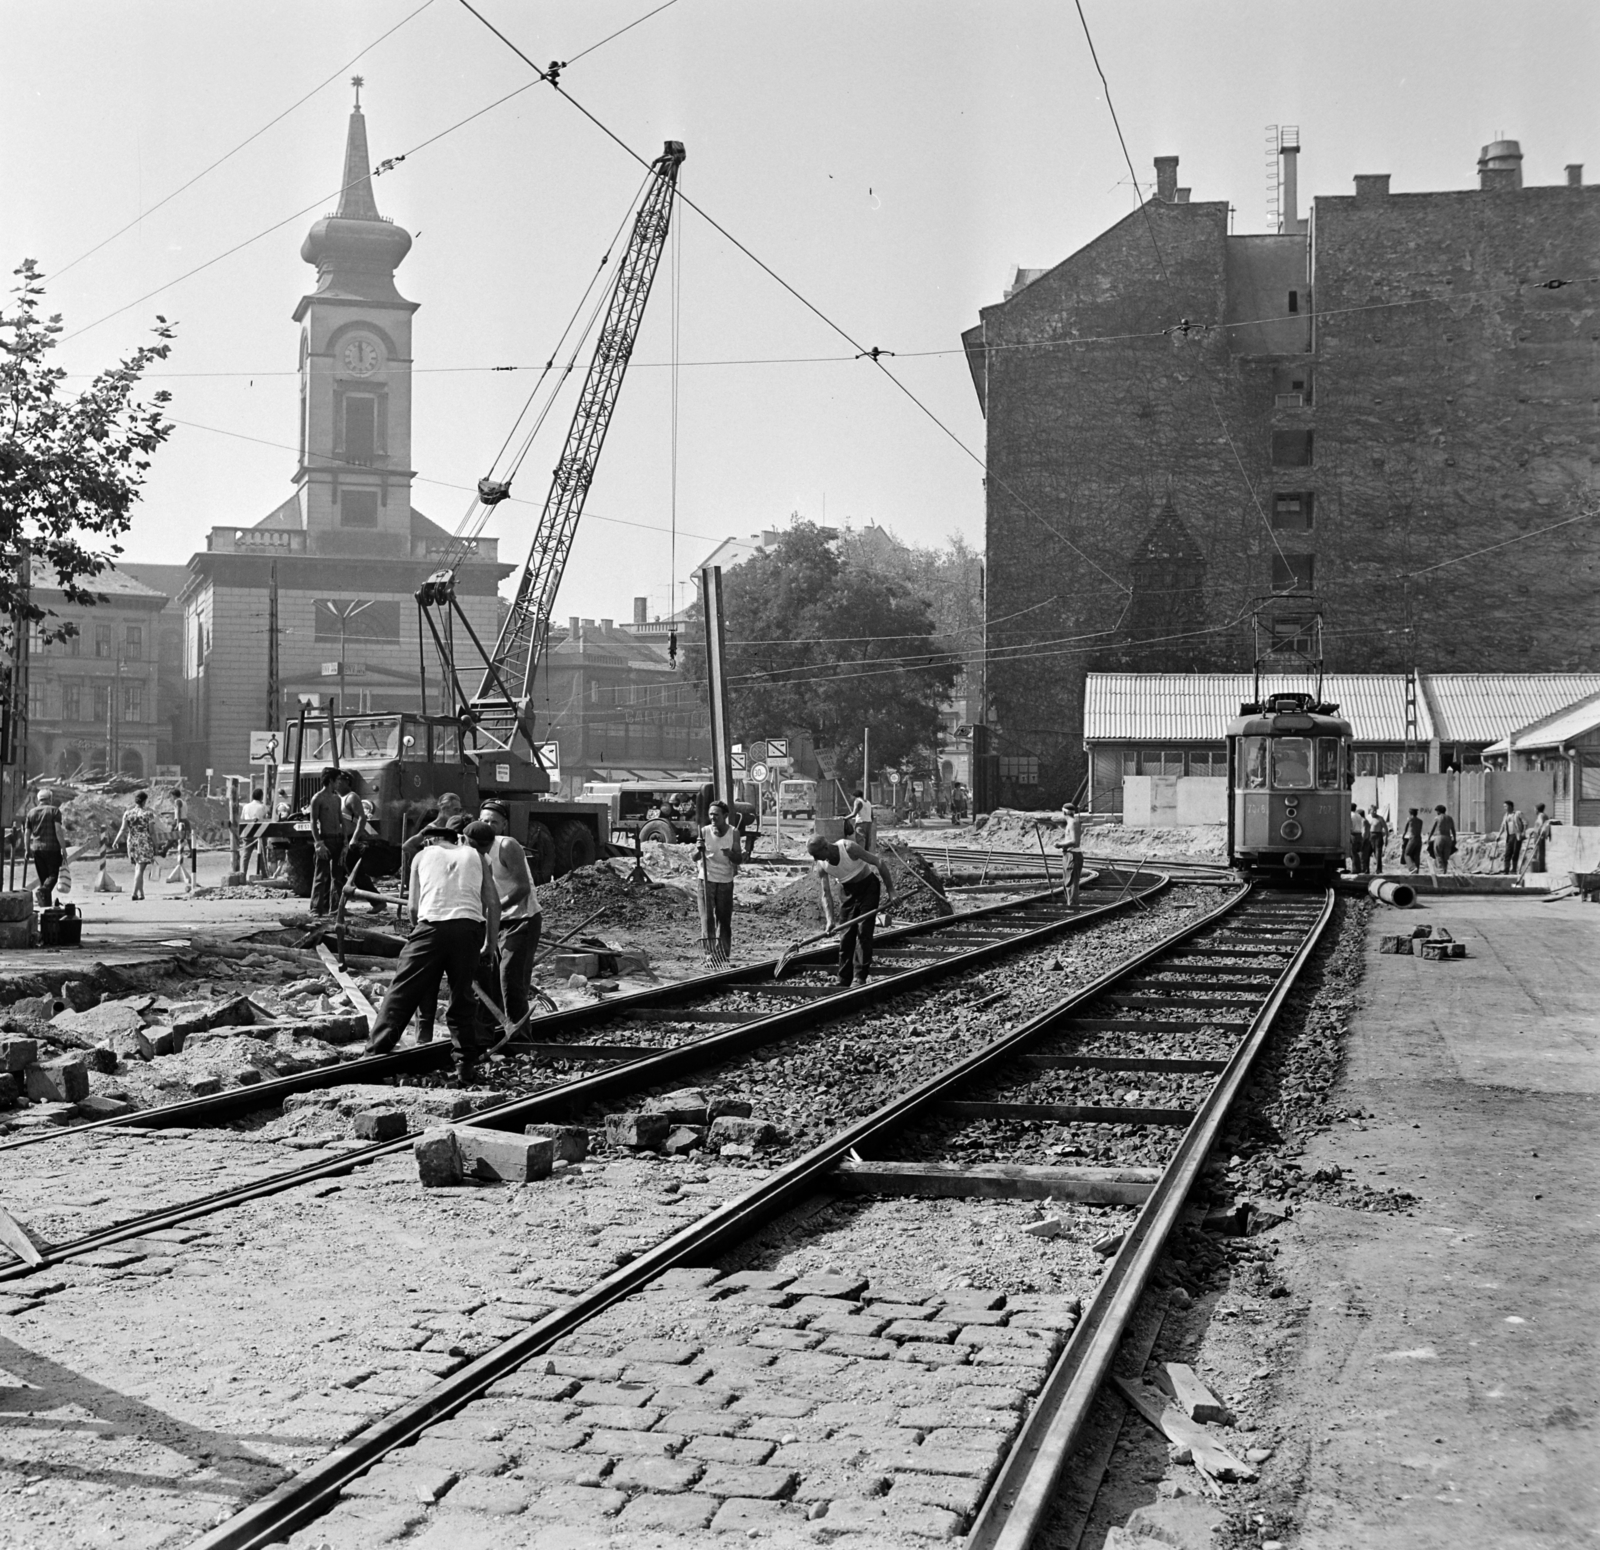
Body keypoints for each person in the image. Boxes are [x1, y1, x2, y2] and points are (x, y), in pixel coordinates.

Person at [365, 819, 499, 1084]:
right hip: (469, 928)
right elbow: (493, 903)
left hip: (430, 927)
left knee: (402, 992)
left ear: (430, 840)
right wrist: (490, 944)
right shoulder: (476, 856)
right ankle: (465, 1065)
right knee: (462, 997)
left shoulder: (421, 857)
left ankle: (373, 1056)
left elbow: (413, 908)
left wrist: (422, 937)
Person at [479, 800, 542, 1031]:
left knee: (510, 978)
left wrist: (495, 908)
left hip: (521, 919)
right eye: (484, 821)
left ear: (503, 825)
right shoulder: (474, 848)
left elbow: (522, 888)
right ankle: (495, 1033)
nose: (488, 826)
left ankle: (520, 1038)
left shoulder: (506, 846)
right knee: (490, 978)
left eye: (493, 822)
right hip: (495, 920)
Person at [808, 832, 895, 988]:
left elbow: (879, 862)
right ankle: (843, 979)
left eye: (816, 855)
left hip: (868, 888)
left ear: (825, 848)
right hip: (848, 892)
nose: (816, 859)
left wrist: (891, 892)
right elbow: (825, 893)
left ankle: (859, 977)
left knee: (863, 932)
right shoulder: (821, 864)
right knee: (846, 935)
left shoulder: (848, 848)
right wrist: (830, 920)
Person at [697, 800, 741, 965]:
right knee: (707, 918)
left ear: (725, 816)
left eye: (716, 815)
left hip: (725, 881)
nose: (713, 818)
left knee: (724, 919)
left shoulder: (733, 833)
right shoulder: (704, 831)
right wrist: (699, 849)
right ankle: (709, 953)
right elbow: (694, 857)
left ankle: (722, 954)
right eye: (711, 815)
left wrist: (730, 854)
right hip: (706, 879)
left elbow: (739, 859)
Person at [401, 790, 464, 891]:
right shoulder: (430, 829)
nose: (459, 814)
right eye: (455, 810)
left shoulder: (455, 826)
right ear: (444, 809)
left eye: (460, 810)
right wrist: (423, 859)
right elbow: (407, 846)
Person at [308, 767, 348, 914]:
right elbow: (313, 822)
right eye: (337, 780)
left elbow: (341, 820)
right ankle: (316, 908)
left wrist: (345, 842)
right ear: (330, 780)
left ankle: (336, 908)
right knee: (321, 876)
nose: (339, 783)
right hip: (326, 840)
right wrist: (318, 843)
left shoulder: (337, 798)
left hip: (338, 840)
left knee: (338, 877)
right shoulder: (317, 798)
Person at [113, 791, 161, 901]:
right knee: (140, 869)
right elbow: (152, 832)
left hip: (132, 842)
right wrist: (156, 844)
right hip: (144, 842)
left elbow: (123, 829)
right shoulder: (148, 814)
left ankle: (141, 893)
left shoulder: (128, 814)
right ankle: (134, 893)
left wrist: (116, 841)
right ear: (144, 801)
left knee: (138, 868)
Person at [24, 789, 68, 906]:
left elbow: (27, 833)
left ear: (39, 799)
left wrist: (27, 849)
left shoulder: (31, 813)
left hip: (37, 849)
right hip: (52, 848)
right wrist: (63, 848)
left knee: (44, 878)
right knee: (53, 875)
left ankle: (45, 904)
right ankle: (42, 891)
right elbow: (58, 831)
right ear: (50, 799)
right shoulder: (54, 811)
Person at [1057, 801, 1086, 907]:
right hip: (1069, 854)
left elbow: (1074, 841)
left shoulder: (1073, 823)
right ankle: (1070, 905)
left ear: (1064, 812)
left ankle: (1073, 907)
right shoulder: (1071, 823)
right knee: (1067, 882)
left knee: (1071, 882)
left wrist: (1060, 844)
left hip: (1073, 856)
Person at [240, 787, 269, 877]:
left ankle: (243, 874)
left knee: (245, 856)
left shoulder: (246, 806)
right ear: (261, 796)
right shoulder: (263, 807)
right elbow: (266, 819)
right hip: (260, 833)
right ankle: (264, 875)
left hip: (247, 833)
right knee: (262, 855)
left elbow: (242, 819)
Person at [1496, 800, 1525, 875]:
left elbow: (1525, 823)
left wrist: (1523, 832)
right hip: (1509, 837)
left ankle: (1514, 869)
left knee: (1515, 853)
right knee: (1507, 853)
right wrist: (1499, 835)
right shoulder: (1505, 815)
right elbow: (1502, 826)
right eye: (1504, 806)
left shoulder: (1518, 814)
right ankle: (1506, 869)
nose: (1504, 808)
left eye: (1505, 806)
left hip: (1516, 836)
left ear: (1510, 806)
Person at [1427, 804, 1457, 874]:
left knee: (1438, 855)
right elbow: (1453, 830)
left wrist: (1429, 838)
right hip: (1448, 838)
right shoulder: (1450, 818)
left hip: (1440, 837)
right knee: (1446, 857)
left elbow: (1433, 829)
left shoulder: (1437, 818)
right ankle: (1444, 872)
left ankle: (1441, 871)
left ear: (1439, 811)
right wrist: (1454, 839)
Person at [1525, 802, 1552, 876]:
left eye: (1535, 809)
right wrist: (1533, 830)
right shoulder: (1543, 815)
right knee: (1539, 852)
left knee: (1539, 852)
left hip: (1539, 836)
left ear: (1537, 809)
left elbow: (1541, 824)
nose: (1534, 811)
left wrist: (1537, 831)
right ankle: (1540, 868)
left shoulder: (1541, 815)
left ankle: (1540, 868)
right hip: (1538, 835)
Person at [1399, 807, 1425, 874]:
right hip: (1419, 839)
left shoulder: (1410, 819)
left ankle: (1412, 868)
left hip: (1413, 838)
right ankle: (1416, 872)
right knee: (1417, 856)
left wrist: (1403, 837)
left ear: (1410, 813)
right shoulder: (1420, 821)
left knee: (1407, 854)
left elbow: (1405, 830)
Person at [1367, 806, 1390, 874]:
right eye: (1373, 810)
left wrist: (1386, 838)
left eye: (1375, 810)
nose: (1374, 812)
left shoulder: (1380, 818)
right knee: (1367, 853)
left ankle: (1378, 870)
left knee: (1378, 853)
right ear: (1370, 810)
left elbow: (1386, 828)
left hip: (1378, 836)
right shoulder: (1367, 817)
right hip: (1369, 836)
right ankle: (1366, 870)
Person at [1349, 805, 1368, 874]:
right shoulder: (1359, 815)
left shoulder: (1350, 815)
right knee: (1358, 852)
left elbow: (1350, 825)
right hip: (1359, 834)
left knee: (1353, 853)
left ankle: (1355, 869)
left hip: (1353, 834)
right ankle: (1360, 868)